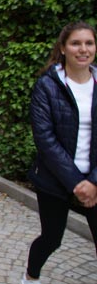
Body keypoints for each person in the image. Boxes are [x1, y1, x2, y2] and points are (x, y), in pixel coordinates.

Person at [22, 21, 97, 284]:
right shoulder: (47, 85)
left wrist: (92, 182)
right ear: (63, 48)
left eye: (89, 43)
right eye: (76, 43)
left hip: (95, 181)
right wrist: (77, 183)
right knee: (51, 239)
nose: (83, 49)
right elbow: (45, 139)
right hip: (55, 180)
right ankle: (31, 276)